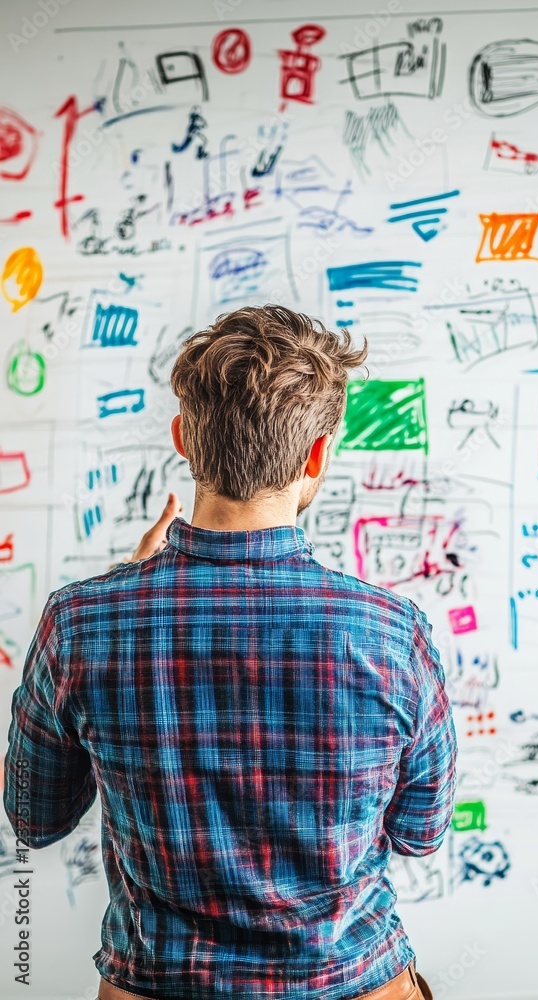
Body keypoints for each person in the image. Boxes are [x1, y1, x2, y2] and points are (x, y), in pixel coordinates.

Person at [3, 305, 457, 1000]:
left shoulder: (80, 624)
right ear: (317, 455)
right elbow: (420, 832)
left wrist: (121, 600)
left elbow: (35, 818)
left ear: (184, 438)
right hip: (351, 984)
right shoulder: (393, 634)